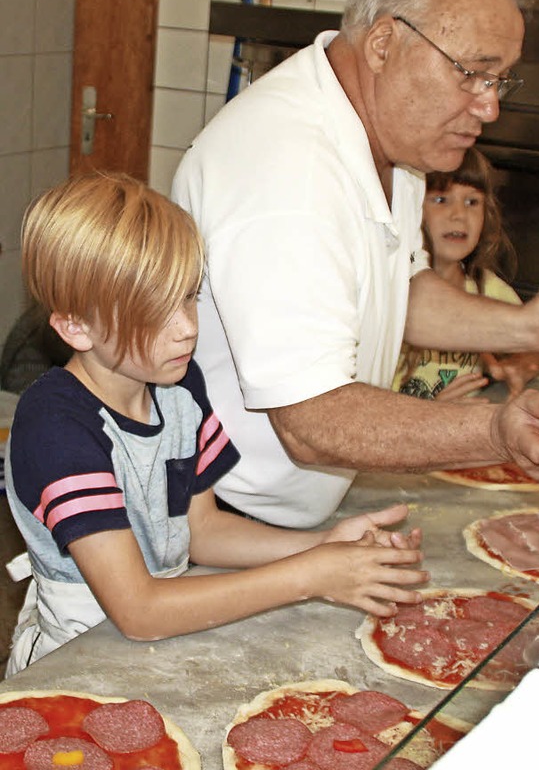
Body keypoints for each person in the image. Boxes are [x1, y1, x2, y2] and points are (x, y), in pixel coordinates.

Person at [172, 0, 539, 529]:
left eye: (501, 80)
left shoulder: (391, 137)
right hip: (214, 517)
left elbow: (396, 290)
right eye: (473, 73)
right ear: (385, 43)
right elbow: (312, 421)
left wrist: (526, 326)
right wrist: (493, 432)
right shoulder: (288, 171)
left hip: (284, 505)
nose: (489, 106)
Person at [4, 172, 426, 677]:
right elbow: (139, 610)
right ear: (76, 326)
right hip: (76, 661)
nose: (186, 328)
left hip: (169, 635)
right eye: (151, 311)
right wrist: (311, 576)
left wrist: (325, 545)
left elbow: (201, 532)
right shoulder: (56, 426)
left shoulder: (179, 389)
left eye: (187, 296)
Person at [393, 147, 539, 402]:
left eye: (472, 202)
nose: (459, 215)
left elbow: (537, 345)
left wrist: (518, 366)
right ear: (412, 209)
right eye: (441, 199)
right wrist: (430, 414)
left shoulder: (489, 290)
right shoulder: (393, 291)